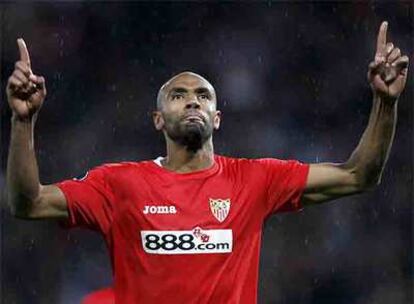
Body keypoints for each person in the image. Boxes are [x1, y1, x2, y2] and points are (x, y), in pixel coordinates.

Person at [6, 21, 409, 304]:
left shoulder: (254, 180)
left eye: (203, 94)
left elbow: (360, 175)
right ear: (158, 119)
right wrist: (24, 121)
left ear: (217, 117)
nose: (193, 99)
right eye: (178, 95)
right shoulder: (119, 184)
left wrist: (385, 102)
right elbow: (29, 203)